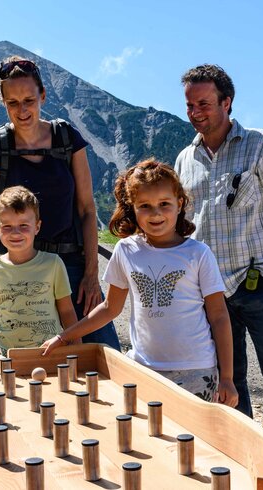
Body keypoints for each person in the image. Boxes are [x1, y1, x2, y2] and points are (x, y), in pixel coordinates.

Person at [173, 64, 263, 457]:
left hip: (262, 282)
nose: (195, 112)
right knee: (230, 378)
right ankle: (243, 458)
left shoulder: (260, 144)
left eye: (203, 103)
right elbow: (184, 224)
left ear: (227, 102)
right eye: (189, 105)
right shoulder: (185, 159)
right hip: (211, 291)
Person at [0, 56, 120, 350]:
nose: (22, 110)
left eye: (29, 100)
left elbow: (87, 210)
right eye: (13, 103)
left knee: (104, 354)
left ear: (43, 95)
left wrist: (92, 275)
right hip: (18, 270)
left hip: (71, 266)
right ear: (3, 103)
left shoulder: (67, 139)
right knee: (27, 358)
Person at [42, 159, 238, 406]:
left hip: (196, 370)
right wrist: (64, 337)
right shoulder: (126, 250)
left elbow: (219, 316)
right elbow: (109, 308)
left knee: (191, 430)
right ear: (132, 207)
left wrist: (227, 378)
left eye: (164, 204)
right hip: (143, 368)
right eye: (145, 206)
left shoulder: (198, 253)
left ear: (179, 204)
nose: (156, 213)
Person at [0, 186, 78, 354]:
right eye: (7, 226)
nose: (15, 233)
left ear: (37, 227)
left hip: (49, 354)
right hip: (6, 356)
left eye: (23, 225)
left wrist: (78, 348)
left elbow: (67, 311)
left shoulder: (53, 264)